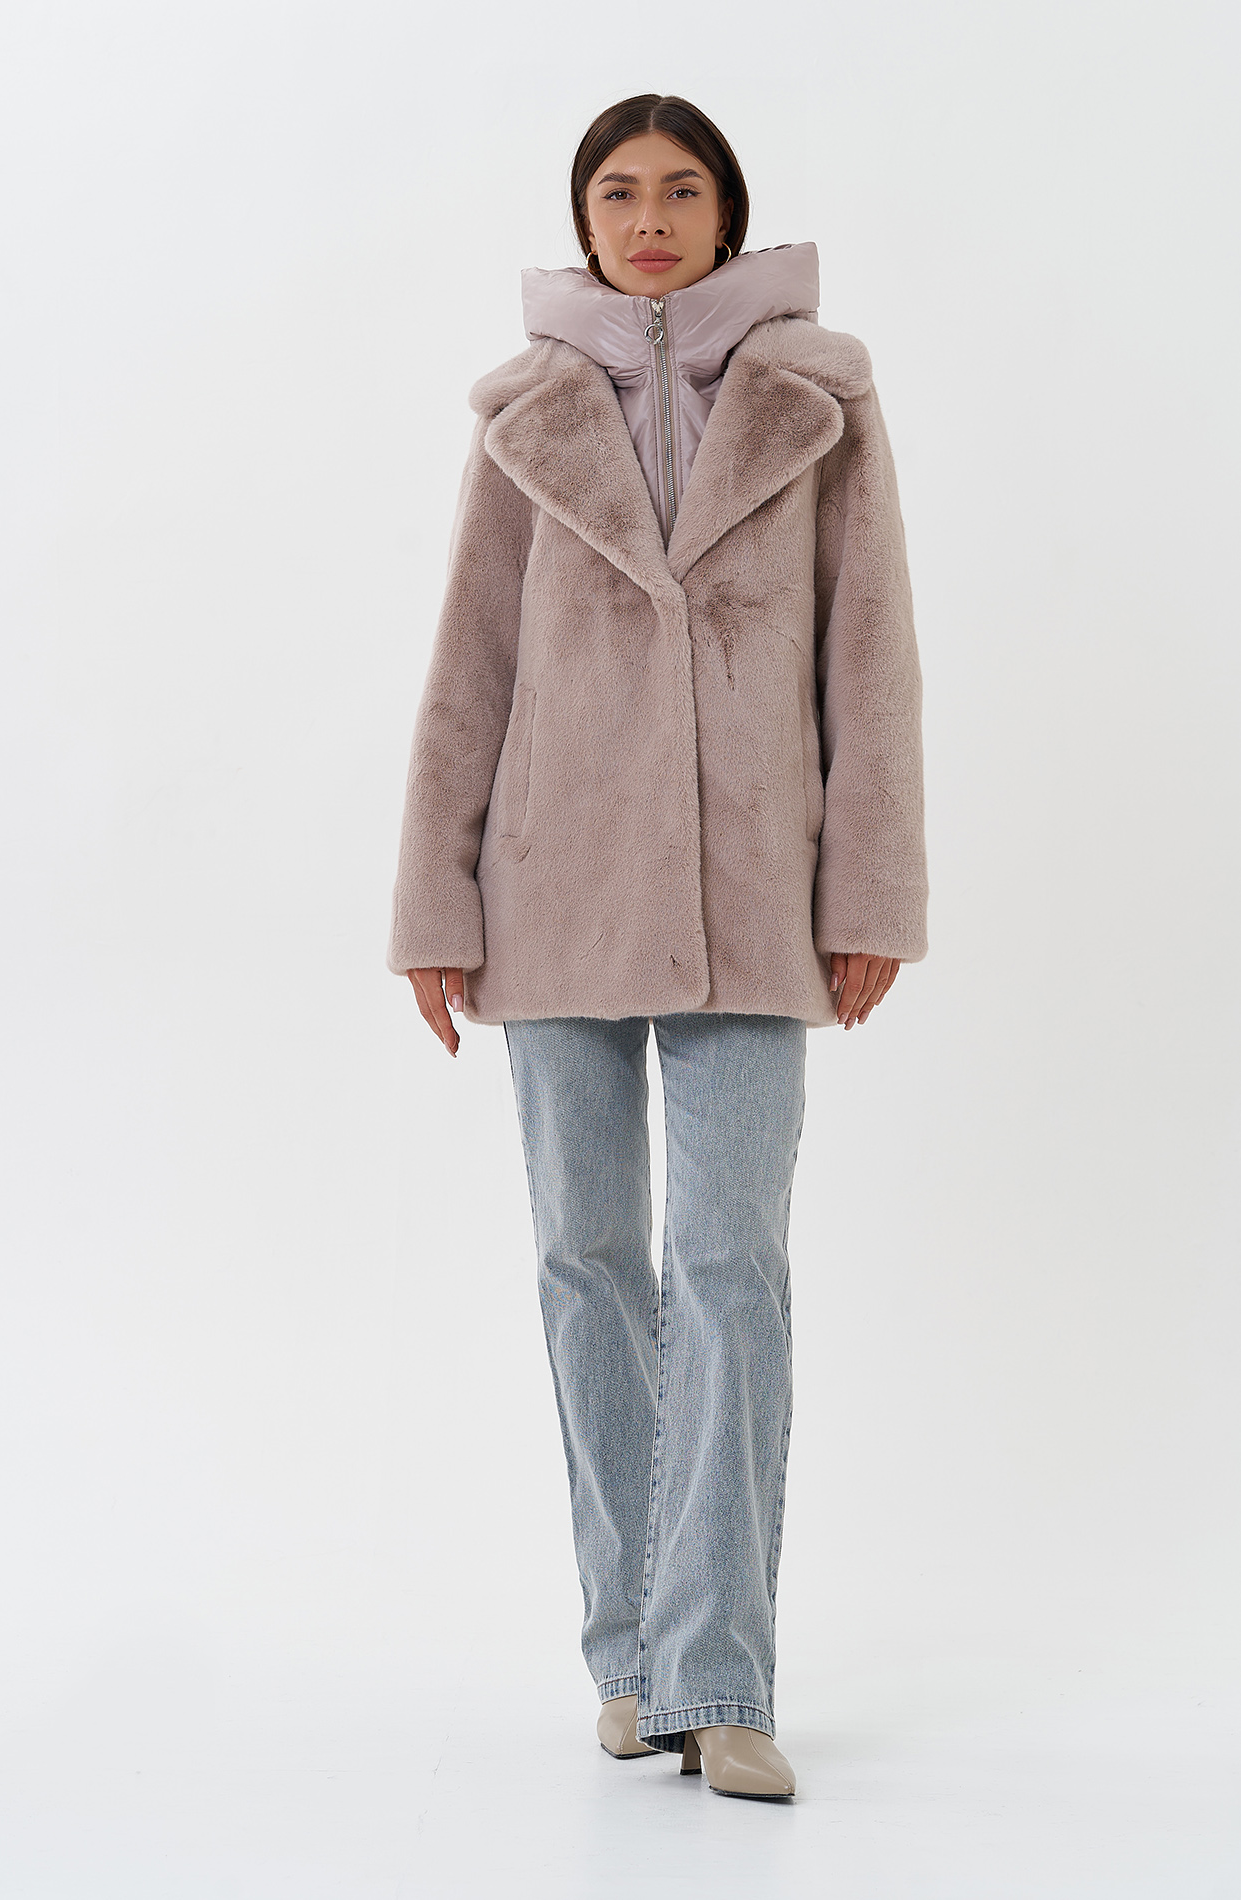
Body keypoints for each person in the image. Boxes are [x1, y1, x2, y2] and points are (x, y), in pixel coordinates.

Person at [388, 93, 927, 1801]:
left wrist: (869, 896)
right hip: (549, 886)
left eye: (679, 191)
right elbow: (469, 668)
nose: (646, 218)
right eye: (616, 193)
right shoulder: (527, 415)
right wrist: (434, 908)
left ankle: (718, 1674)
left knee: (730, 1268)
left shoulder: (816, 402)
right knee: (586, 1260)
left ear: (724, 216)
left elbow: (870, 655)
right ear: (585, 220)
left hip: (753, 891)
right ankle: (628, 1660)